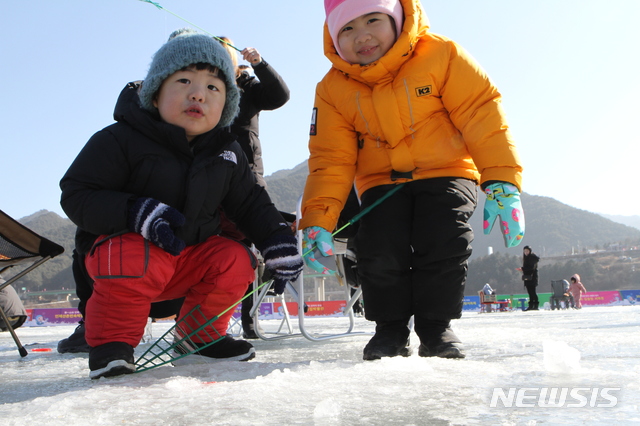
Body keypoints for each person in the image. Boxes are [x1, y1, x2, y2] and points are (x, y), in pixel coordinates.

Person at [59, 29, 303, 379]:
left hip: (188, 265)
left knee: (235, 258)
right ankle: (112, 344)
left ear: (227, 106)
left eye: (213, 88)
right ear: (155, 93)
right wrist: (133, 212)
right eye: (184, 80)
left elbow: (251, 204)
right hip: (126, 264)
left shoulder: (228, 153)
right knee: (134, 253)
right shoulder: (119, 138)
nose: (198, 94)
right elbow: (78, 192)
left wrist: (276, 240)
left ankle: (198, 339)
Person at [300, 0, 524, 361]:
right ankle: (389, 330)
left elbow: (481, 115)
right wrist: (317, 220)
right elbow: (330, 159)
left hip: (447, 171)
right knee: (377, 248)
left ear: (398, 17)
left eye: (373, 19)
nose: (363, 36)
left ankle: (436, 329)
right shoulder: (332, 89)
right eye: (347, 28)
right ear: (332, 37)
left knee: (442, 239)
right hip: (379, 182)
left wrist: (501, 180)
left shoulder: (442, 54)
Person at [217, 36, 291, 339]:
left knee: (251, 245)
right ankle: (201, 324)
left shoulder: (247, 86)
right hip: (208, 177)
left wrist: (259, 64)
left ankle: (250, 321)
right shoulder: (203, 85)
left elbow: (280, 95)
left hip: (247, 177)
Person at [518, 246, 540, 311]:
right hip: (527, 277)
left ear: (530, 251)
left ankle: (535, 306)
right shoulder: (526, 258)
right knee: (530, 292)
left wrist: (522, 269)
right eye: (524, 251)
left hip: (532, 277)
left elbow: (531, 267)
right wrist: (522, 269)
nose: (526, 252)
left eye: (527, 251)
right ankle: (531, 306)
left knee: (533, 292)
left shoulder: (532, 258)